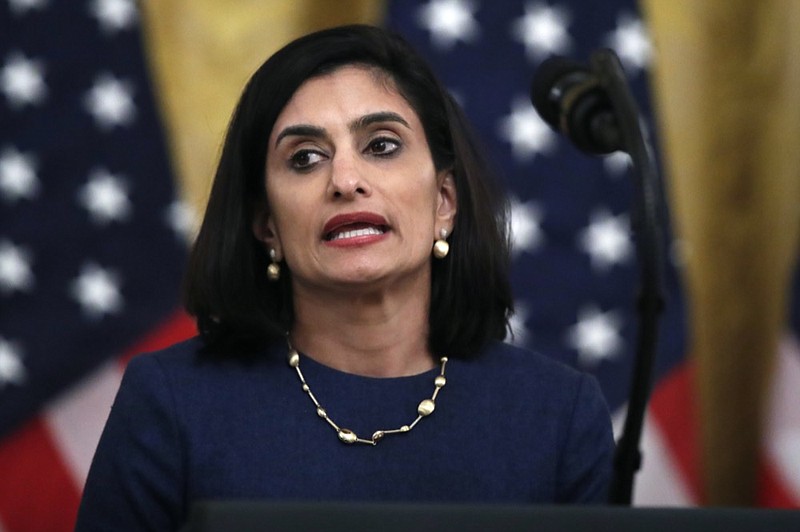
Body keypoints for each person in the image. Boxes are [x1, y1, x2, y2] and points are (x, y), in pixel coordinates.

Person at [76, 24, 614, 530]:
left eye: (381, 145)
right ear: (267, 226)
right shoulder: (171, 404)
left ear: (444, 203)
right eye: (306, 158)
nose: (345, 181)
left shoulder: (557, 416)